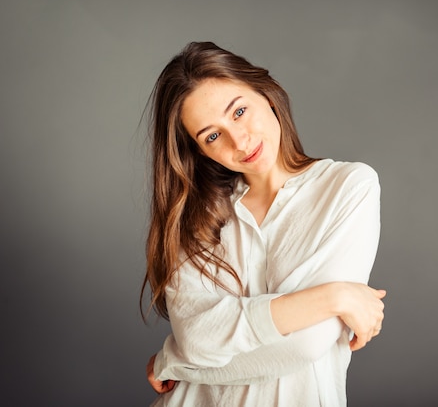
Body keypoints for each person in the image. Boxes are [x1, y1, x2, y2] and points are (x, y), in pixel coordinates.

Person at [141, 41, 385, 406]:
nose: (238, 141)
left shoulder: (348, 187)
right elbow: (196, 338)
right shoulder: (196, 216)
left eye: (239, 111)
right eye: (211, 135)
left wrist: (172, 361)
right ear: (200, 151)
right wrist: (333, 296)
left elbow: (306, 343)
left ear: (265, 95)